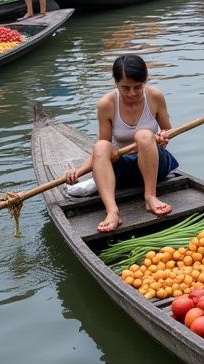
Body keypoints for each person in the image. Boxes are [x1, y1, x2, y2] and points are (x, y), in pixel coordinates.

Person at [63, 54, 178, 233]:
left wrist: (163, 136)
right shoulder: (106, 104)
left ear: (145, 80)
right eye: (125, 88)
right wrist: (79, 171)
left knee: (144, 136)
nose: (131, 93)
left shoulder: (155, 96)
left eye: (137, 87)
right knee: (100, 146)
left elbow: (169, 132)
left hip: (154, 167)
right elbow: (103, 149)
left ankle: (150, 197)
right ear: (116, 83)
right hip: (123, 168)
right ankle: (112, 211)